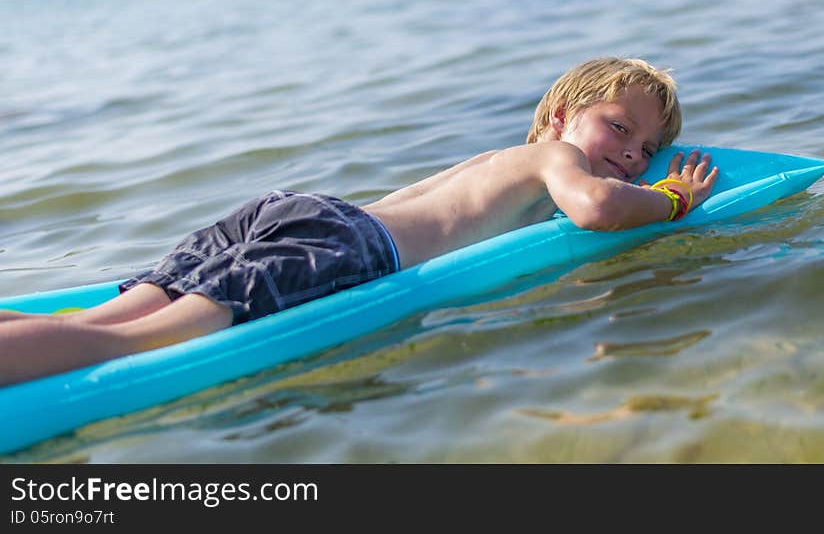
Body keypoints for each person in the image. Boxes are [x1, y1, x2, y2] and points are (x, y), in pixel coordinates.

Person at [0, 57, 718, 385]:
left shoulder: (499, 159)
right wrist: (674, 199)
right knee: (139, 344)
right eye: (619, 127)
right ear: (561, 118)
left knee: (107, 316)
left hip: (301, 211)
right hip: (346, 242)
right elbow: (595, 210)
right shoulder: (560, 160)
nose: (630, 152)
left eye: (648, 149)